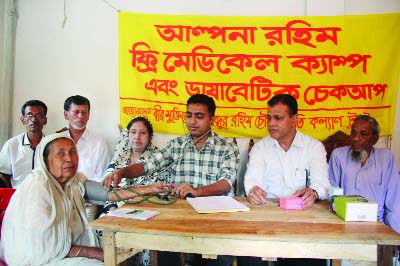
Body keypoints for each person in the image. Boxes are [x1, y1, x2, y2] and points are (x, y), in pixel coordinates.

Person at [103, 94, 239, 266]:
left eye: (199, 116)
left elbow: (226, 183)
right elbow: (147, 165)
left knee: (216, 258)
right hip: (179, 217)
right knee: (165, 253)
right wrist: (122, 171)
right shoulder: (176, 145)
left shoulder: (227, 147)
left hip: (215, 219)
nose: (192, 121)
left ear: (212, 119)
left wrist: (197, 192)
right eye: (189, 115)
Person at [1, 133, 168, 266]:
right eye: (60, 154)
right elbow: (44, 247)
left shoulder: (72, 182)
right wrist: (99, 254)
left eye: (72, 152)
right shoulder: (38, 187)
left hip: (63, 252)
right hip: (38, 259)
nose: (69, 158)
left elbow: (109, 194)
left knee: (120, 250)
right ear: (45, 160)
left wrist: (149, 189)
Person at [241, 94, 330, 266]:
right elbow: (252, 181)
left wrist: (314, 192)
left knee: (310, 257)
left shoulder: (313, 147)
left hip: (302, 221)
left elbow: (322, 185)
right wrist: (253, 191)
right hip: (265, 221)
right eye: (269, 118)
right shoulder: (261, 148)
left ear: (294, 119)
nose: (271, 123)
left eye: (278, 118)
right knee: (249, 255)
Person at [105, 116, 162, 266]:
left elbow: (157, 195)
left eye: (143, 133)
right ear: (127, 135)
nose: (137, 137)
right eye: (133, 132)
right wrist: (111, 210)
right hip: (115, 211)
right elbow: (106, 190)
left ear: (150, 137)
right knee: (105, 231)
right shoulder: (119, 157)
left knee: (143, 241)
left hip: (144, 214)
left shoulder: (156, 160)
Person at [329, 115, 400, 233]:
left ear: (374, 139)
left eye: (363, 134)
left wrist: (394, 237)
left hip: (376, 225)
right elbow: (332, 194)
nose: (356, 138)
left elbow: (394, 203)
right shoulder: (339, 156)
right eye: (353, 133)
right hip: (344, 223)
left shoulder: (386, 158)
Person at [60, 95, 111, 220]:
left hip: (88, 201)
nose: (81, 116)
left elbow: (103, 178)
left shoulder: (99, 142)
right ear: (66, 114)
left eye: (84, 112)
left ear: (88, 115)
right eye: (76, 112)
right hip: (60, 198)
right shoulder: (57, 141)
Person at [0, 100, 47, 188]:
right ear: (23, 120)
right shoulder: (12, 145)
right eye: (29, 115)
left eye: (39, 116)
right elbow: (4, 175)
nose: (33, 120)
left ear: (45, 120)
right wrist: (12, 195)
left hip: (44, 197)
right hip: (17, 197)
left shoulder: (51, 145)